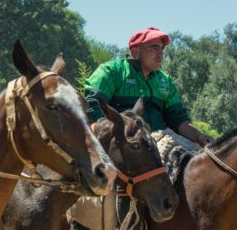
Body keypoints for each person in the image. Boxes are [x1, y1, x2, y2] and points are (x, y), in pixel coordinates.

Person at [84, 26, 213, 147]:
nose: (160, 53)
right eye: (154, 47)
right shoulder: (111, 71)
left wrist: (199, 136)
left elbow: (179, 119)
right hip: (122, 145)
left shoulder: (166, 81)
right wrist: (109, 138)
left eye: (162, 48)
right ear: (136, 51)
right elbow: (92, 105)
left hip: (160, 144)